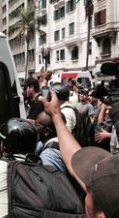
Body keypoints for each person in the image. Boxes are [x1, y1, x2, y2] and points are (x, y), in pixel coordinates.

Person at [39, 90, 119, 218]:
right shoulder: (109, 197)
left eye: (88, 191)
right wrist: (56, 116)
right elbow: (73, 156)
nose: (85, 187)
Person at [34, 110, 67, 175]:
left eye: (36, 124)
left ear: (46, 131)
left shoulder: (47, 157)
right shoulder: (66, 143)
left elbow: (49, 182)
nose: (34, 127)